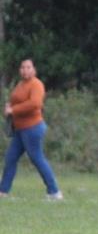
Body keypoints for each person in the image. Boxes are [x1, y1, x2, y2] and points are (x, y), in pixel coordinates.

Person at [0, 59, 62, 200]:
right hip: (20, 130)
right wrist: (8, 107)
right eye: (22, 67)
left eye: (28, 67)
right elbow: (15, 100)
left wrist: (13, 110)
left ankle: (54, 191)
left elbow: (35, 104)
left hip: (32, 128)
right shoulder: (21, 84)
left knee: (37, 158)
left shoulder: (36, 84)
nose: (25, 70)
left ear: (34, 69)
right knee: (10, 158)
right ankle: (3, 190)